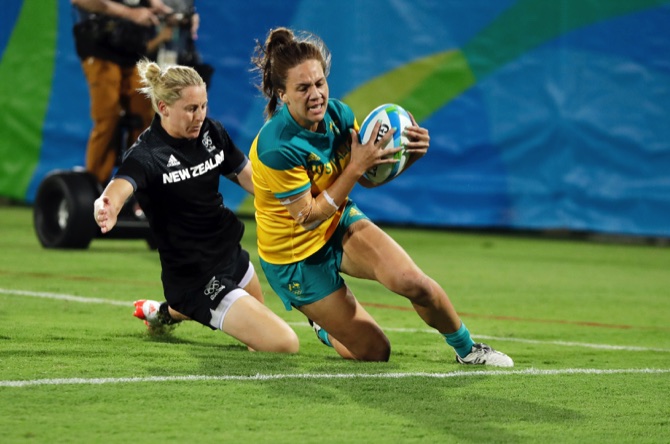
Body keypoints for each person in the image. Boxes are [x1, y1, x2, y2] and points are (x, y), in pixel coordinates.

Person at [249, 27, 513, 366]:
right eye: (303, 88)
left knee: (414, 282)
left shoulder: (339, 116)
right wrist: (356, 168)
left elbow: (367, 177)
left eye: (319, 83)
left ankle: (468, 350)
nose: (316, 94)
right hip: (294, 259)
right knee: (375, 352)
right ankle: (325, 326)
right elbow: (308, 215)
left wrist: (408, 157)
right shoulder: (275, 146)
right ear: (282, 95)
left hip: (338, 223)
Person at [93, 59, 299, 353]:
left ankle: (161, 312)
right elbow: (120, 186)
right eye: (191, 109)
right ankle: (180, 303)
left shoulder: (211, 132)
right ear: (163, 108)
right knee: (284, 344)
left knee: (260, 344)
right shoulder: (147, 154)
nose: (200, 115)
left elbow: (251, 178)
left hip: (231, 256)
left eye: (203, 106)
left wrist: (294, 203)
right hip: (194, 277)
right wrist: (107, 206)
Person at [71, 0, 176, 184]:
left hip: (136, 50)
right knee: (108, 115)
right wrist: (130, 13)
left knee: (147, 117)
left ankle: (138, 182)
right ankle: (96, 186)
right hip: (100, 47)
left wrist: (170, 13)